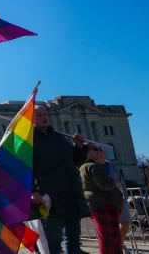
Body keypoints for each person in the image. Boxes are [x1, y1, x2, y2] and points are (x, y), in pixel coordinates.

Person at [31, 105, 89, 254]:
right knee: (54, 242)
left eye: (45, 114)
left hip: (72, 196)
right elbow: (26, 169)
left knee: (74, 240)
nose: (44, 117)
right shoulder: (30, 141)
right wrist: (33, 191)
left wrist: (80, 147)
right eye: (39, 115)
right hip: (52, 198)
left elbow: (74, 160)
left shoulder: (58, 137)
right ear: (31, 119)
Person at [80, 144, 123, 254]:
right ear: (89, 152)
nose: (100, 151)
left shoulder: (84, 166)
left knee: (110, 237)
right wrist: (115, 183)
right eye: (96, 149)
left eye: (100, 149)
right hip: (104, 204)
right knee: (110, 238)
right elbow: (105, 185)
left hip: (99, 204)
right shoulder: (93, 167)